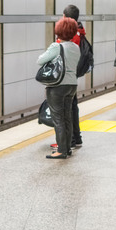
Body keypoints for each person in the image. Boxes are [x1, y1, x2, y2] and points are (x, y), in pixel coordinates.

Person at [38, 17, 80, 159]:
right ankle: (67, 148)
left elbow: (40, 60)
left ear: (58, 32)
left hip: (57, 86)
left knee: (58, 119)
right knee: (67, 116)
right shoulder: (76, 47)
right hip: (72, 85)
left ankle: (61, 150)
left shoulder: (56, 47)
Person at [50, 4, 84, 149]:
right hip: (72, 77)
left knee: (65, 111)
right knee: (72, 107)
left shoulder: (69, 36)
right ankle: (76, 138)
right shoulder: (80, 33)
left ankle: (67, 142)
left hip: (64, 78)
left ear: (65, 17)